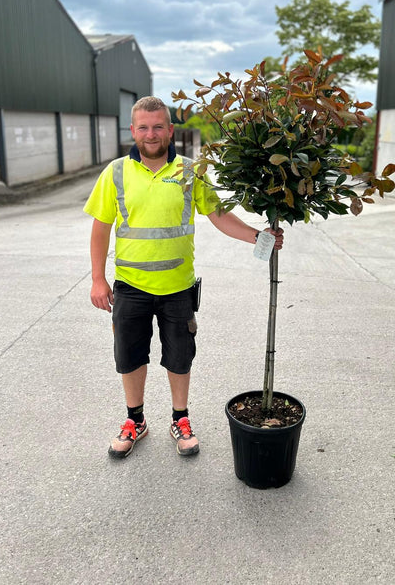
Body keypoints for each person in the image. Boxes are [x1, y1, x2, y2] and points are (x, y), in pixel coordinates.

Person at [84, 96, 283, 459]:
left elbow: (219, 215)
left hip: (178, 288)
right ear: (132, 131)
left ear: (170, 130)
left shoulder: (191, 171)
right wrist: (99, 279)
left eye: (158, 126)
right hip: (130, 287)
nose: (151, 133)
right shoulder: (115, 173)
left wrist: (259, 237)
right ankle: (135, 421)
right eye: (143, 127)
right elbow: (100, 227)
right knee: (130, 356)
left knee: (180, 357)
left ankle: (180, 419)